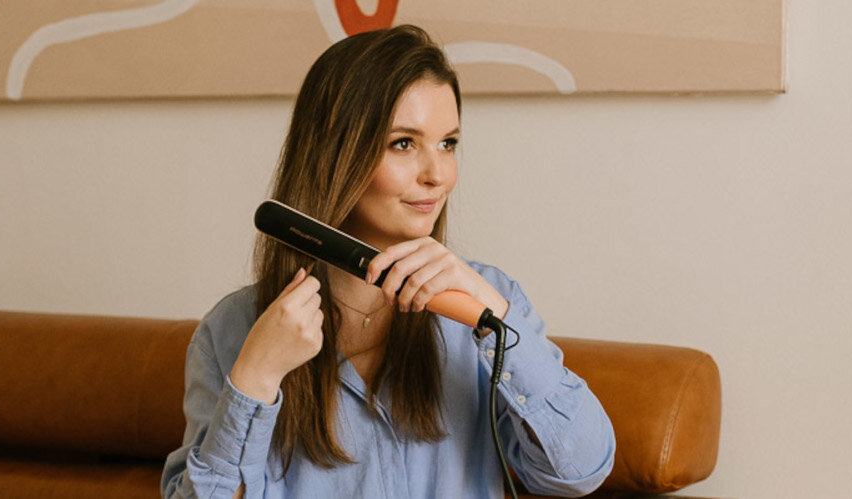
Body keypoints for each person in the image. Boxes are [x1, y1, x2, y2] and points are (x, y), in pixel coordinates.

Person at [161, 24, 615, 498]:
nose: (438, 175)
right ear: (335, 155)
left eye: (448, 143)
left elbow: (580, 472)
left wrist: (497, 318)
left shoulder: (488, 302)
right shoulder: (230, 331)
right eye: (403, 143)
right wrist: (254, 379)